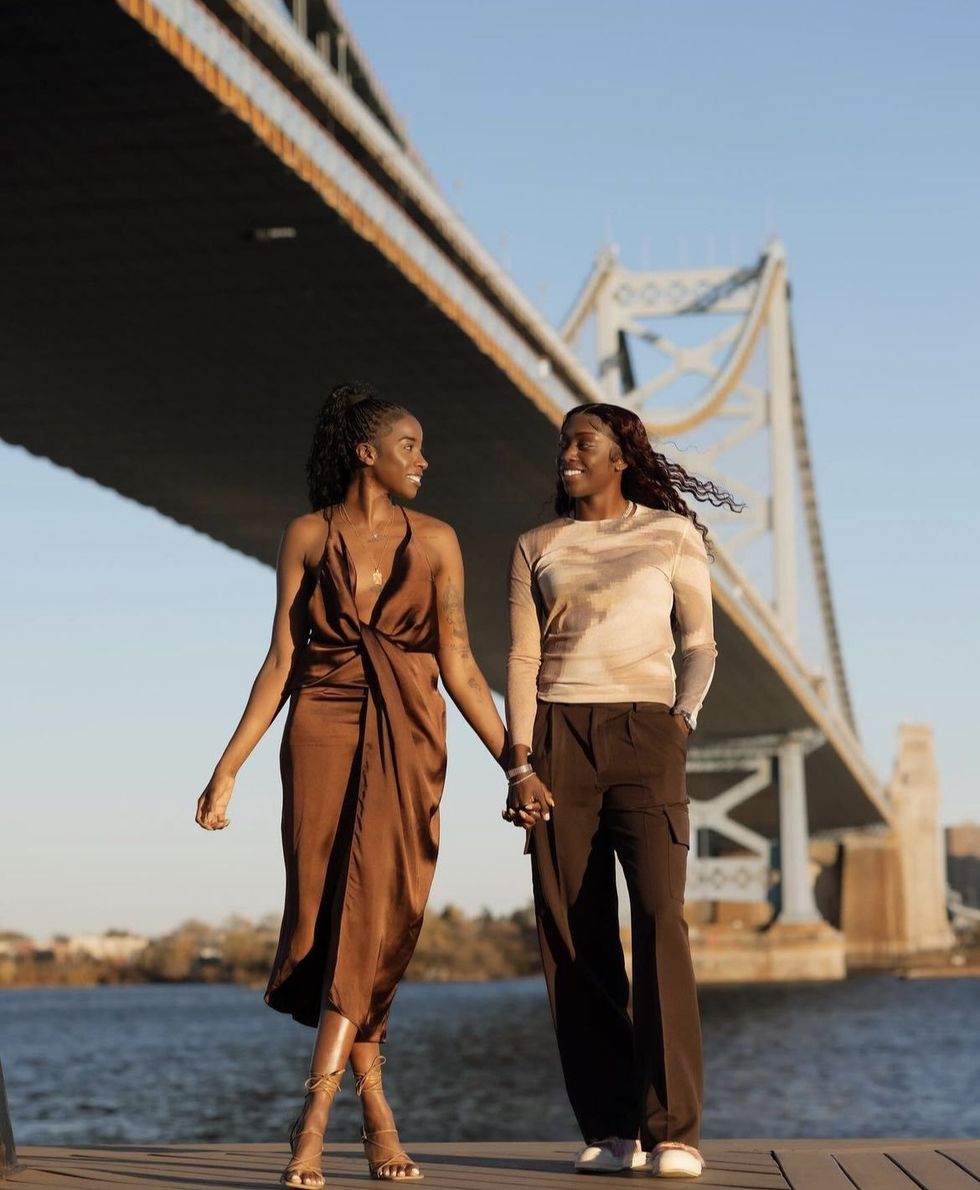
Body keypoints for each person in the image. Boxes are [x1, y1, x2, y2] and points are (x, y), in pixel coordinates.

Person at [195, 382, 507, 1187]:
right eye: (410, 445)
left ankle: (315, 1123)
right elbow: (280, 661)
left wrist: (518, 758)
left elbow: (462, 662)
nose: (424, 460)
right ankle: (378, 1117)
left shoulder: (438, 541)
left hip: (408, 735)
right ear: (365, 452)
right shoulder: (305, 535)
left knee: (379, 913)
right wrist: (227, 767)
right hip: (320, 729)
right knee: (331, 918)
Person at [503, 402, 739, 1179]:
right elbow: (523, 663)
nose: (566, 453)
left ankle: (675, 1130)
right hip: (557, 740)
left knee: (660, 918)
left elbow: (699, 644)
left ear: (619, 458)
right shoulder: (536, 546)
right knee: (573, 935)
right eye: (564, 442)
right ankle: (610, 1128)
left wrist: (681, 718)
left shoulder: (672, 536)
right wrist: (520, 760)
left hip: (647, 733)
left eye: (583, 442)